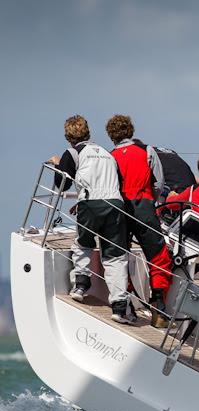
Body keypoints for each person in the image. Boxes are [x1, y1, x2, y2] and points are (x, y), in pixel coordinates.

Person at [49, 115, 131, 324]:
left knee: (83, 242)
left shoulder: (74, 153)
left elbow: (62, 184)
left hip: (91, 203)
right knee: (115, 256)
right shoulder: (106, 154)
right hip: (115, 204)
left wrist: (58, 165)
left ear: (68, 137)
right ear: (88, 132)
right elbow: (119, 182)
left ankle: (81, 284)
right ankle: (120, 307)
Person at [105, 115, 173, 327]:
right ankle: (159, 306)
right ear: (131, 130)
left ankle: (127, 305)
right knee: (158, 256)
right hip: (144, 206)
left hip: (120, 209)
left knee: (120, 257)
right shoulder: (146, 151)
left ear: (111, 135)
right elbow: (159, 183)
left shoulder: (110, 157)